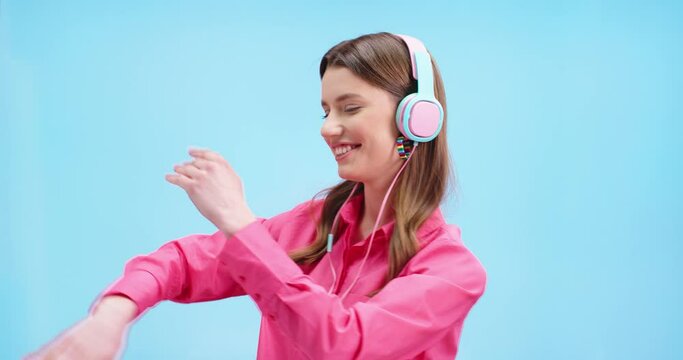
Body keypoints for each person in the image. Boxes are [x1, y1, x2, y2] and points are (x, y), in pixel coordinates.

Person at [27, 32, 487, 359]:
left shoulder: (452, 273)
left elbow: (345, 345)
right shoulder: (315, 226)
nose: (328, 127)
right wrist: (109, 318)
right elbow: (184, 263)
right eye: (326, 109)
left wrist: (239, 222)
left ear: (417, 119)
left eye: (350, 108)